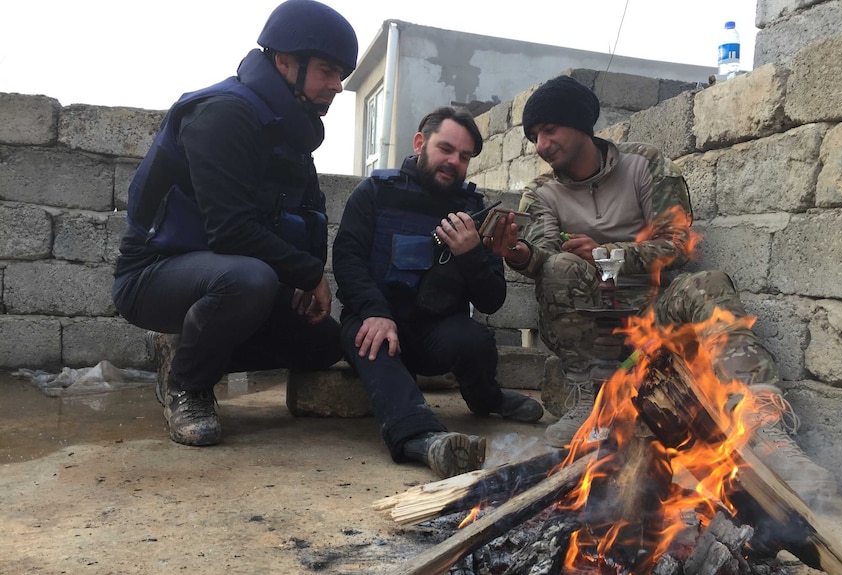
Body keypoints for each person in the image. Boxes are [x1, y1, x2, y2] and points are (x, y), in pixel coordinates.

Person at [484, 74, 836, 504]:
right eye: (534, 136)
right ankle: (592, 399)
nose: (541, 145)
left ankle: (764, 429)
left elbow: (680, 245)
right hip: (594, 319)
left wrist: (609, 253)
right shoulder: (541, 192)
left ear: (580, 125)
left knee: (710, 284)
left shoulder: (646, 164)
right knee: (558, 266)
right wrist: (516, 253)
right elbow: (538, 257)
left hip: (656, 311)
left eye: (549, 130)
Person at [112, 0, 358, 447]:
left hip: (228, 274)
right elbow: (230, 230)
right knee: (251, 279)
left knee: (324, 343)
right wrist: (304, 274)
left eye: (341, 74)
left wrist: (310, 275)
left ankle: (183, 346)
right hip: (156, 273)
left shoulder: (290, 127)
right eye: (327, 70)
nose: (337, 86)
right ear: (285, 61)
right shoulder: (224, 113)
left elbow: (311, 210)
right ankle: (187, 386)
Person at [332, 106, 545, 479]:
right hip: (376, 319)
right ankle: (421, 438)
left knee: (475, 339)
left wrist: (471, 255)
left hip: (435, 331)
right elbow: (347, 260)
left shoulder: (475, 211)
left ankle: (487, 399)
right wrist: (374, 311)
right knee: (374, 342)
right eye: (446, 149)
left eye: (464, 157)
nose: (454, 161)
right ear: (420, 143)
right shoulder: (375, 193)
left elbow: (492, 300)